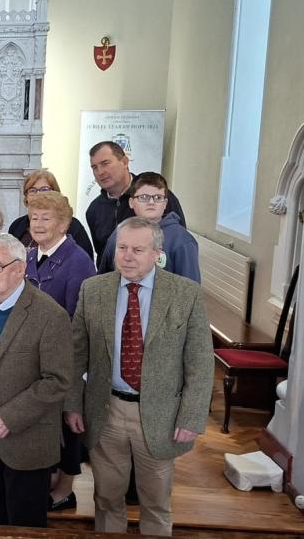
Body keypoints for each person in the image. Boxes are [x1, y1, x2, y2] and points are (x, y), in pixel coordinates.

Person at [66, 217, 214, 536]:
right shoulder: (94, 290)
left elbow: (200, 363)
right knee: (106, 498)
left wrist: (191, 417)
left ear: (156, 253)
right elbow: (76, 354)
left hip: (160, 415)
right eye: (122, 248)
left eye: (137, 249)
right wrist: (72, 404)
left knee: (156, 503)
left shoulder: (184, 294)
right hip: (106, 410)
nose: (128, 256)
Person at [0, 234, 72, 528]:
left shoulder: (50, 315)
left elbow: (57, 381)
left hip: (26, 439)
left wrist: (11, 415)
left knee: (23, 524)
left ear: (19, 269)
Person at [22, 191, 97, 511]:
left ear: (64, 223)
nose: (38, 224)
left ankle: (66, 488)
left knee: (67, 423)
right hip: (31, 356)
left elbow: (79, 321)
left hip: (62, 357)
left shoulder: (77, 261)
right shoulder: (28, 254)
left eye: (46, 218)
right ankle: (47, 478)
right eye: (34, 217)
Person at [85, 141, 185, 260]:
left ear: (124, 162)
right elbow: (103, 257)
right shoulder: (94, 209)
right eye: (94, 167)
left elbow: (180, 244)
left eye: (105, 163)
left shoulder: (158, 197)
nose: (100, 172)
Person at [97, 173, 200, 282]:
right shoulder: (119, 234)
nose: (151, 202)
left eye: (158, 197)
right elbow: (104, 279)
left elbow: (190, 290)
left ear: (165, 204)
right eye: (144, 197)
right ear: (131, 203)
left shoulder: (182, 240)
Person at [8, 170, 94, 261]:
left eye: (44, 189)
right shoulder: (17, 225)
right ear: (26, 197)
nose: (39, 194)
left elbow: (84, 259)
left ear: (55, 192)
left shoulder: (73, 225)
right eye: (33, 190)